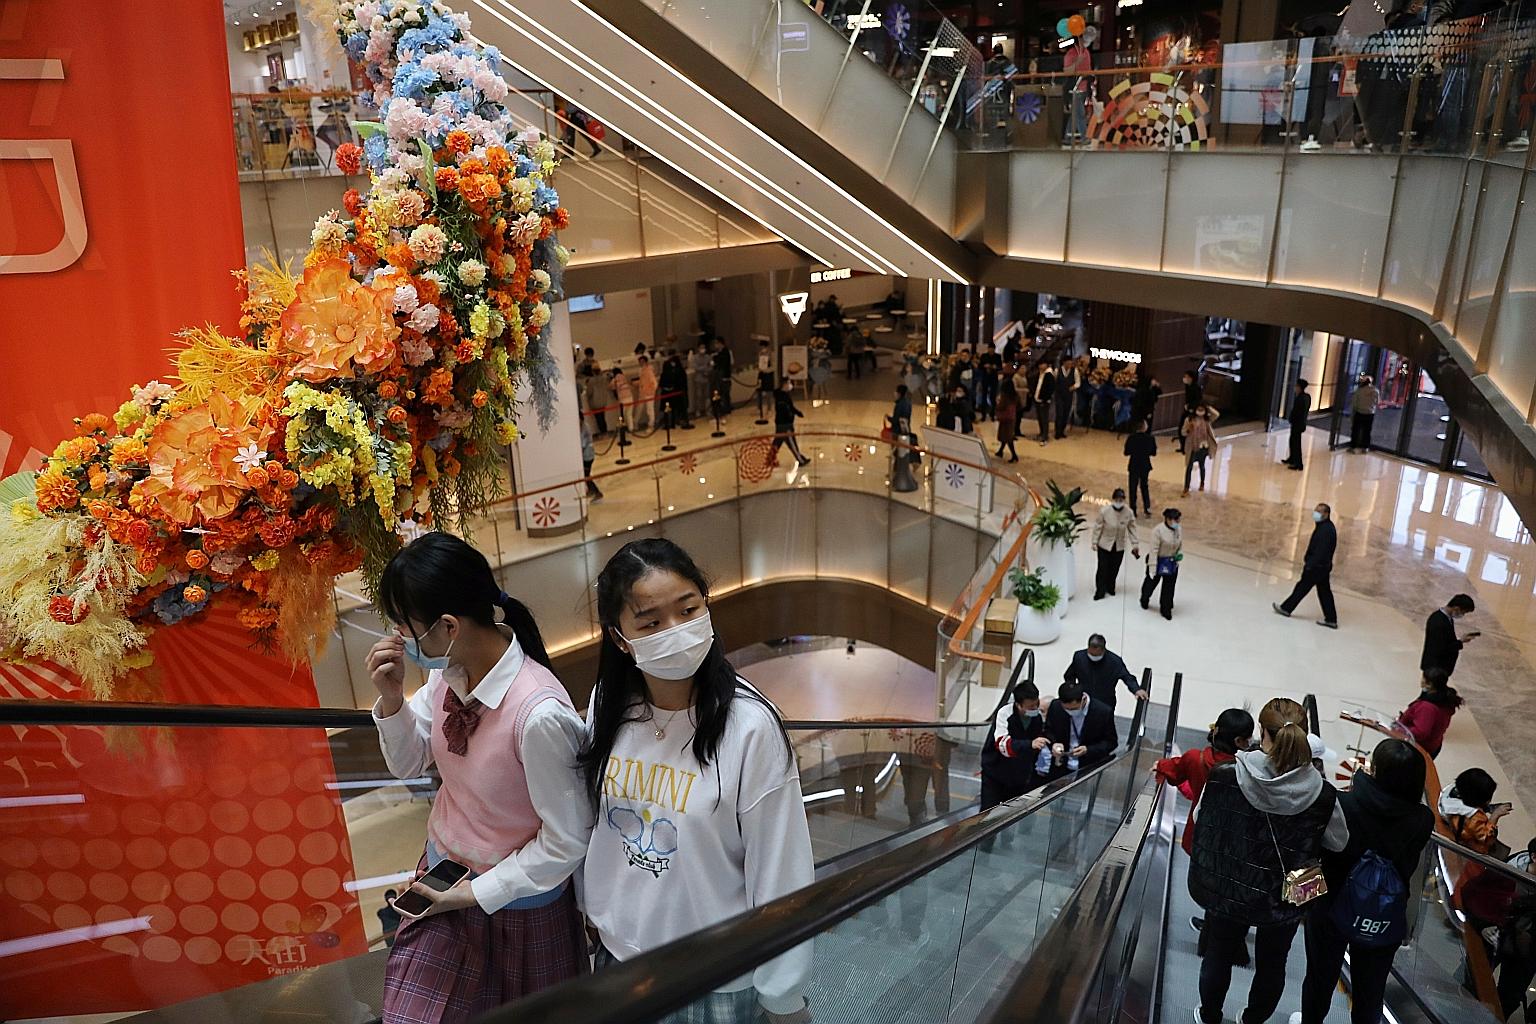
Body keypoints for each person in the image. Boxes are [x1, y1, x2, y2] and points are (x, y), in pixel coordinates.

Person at [577, 539, 815, 1024]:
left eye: (688, 610)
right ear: (621, 638)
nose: (676, 631)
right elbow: (591, 830)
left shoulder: (750, 728)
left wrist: (782, 996)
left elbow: (782, 871)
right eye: (650, 622)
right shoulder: (608, 705)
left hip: (717, 977)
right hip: (619, 967)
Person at [367, 534, 590, 1022]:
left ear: (448, 626)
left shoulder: (538, 714)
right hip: (442, 874)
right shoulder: (448, 671)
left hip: (519, 902)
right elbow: (410, 764)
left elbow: (567, 842)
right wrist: (390, 700)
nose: (400, 637)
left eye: (406, 627)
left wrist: (473, 894)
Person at [1187, 698, 1350, 1024]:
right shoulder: (1321, 792)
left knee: (1219, 950)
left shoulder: (1226, 773)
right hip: (1291, 892)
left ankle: (1209, 1015)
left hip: (1230, 880)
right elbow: (1338, 842)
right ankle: (1252, 1020)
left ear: (1262, 733)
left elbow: (1199, 815)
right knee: (1274, 962)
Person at [1292, 738, 1433, 1024]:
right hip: (1383, 915)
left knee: (1320, 979)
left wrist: (1296, 899)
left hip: (1329, 906)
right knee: (1370, 992)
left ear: (1376, 770)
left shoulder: (1341, 803)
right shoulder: (1423, 820)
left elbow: (1312, 853)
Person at [1155, 708, 1254, 858]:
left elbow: (1173, 773)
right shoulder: (1248, 769)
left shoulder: (1194, 758)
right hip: (1231, 843)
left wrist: (1159, 766)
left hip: (1197, 836)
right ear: (1239, 741)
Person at [980, 681, 1049, 808]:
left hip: (1018, 777)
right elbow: (1003, 746)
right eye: (1030, 707)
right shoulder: (1004, 714)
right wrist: (1030, 744)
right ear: (1018, 705)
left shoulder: (1037, 718)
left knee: (1011, 815)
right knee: (988, 815)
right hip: (995, 774)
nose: (1034, 709)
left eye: (1036, 705)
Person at [1272, 503, 1338, 628]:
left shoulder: (1326, 530)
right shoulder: (1325, 527)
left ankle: (1286, 608)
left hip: (1317, 566)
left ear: (1326, 514)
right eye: (1316, 510)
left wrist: (1310, 564)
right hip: (1322, 566)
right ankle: (1331, 619)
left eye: (1319, 511)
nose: (1316, 513)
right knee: (1324, 592)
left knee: (1302, 587)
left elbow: (1321, 551)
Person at [1043, 681, 1119, 776]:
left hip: (1088, 768)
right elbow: (1048, 731)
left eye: (1074, 709)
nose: (1070, 712)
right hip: (1060, 767)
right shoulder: (1056, 706)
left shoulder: (1103, 712)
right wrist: (1054, 744)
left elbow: (1111, 743)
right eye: (1066, 709)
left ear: (1083, 699)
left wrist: (1088, 750)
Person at [1062, 633, 1147, 713]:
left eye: (1096, 655)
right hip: (1084, 700)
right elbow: (1069, 675)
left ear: (1103, 650)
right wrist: (1073, 691)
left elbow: (1127, 677)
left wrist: (1136, 689)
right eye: (1091, 654)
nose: (1093, 657)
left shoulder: (1115, 662)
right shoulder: (1079, 657)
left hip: (1105, 703)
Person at [1439, 767, 1510, 856]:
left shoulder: (1453, 791)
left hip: (1456, 825)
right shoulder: (1473, 816)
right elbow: (1486, 838)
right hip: (1470, 845)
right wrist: (1495, 816)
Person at [1397, 667, 1462, 758]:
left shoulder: (1427, 708)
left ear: (1429, 684)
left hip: (1418, 748)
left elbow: (1420, 732)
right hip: (1433, 745)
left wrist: (1400, 729)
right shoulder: (1443, 699)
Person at [1091, 491, 1139, 600]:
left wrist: (1135, 544)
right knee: (1102, 568)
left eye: (1121, 500)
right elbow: (1098, 527)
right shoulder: (1105, 511)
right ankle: (1100, 590)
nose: (1119, 502)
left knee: (1114, 568)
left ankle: (1110, 586)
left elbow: (1132, 529)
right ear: (1113, 500)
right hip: (1104, 545)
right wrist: (1094, 542)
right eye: (1117, 500)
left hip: (1119, 545)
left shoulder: (1128, 512)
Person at [1140, 507, 1183, 620]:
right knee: (1151, 583)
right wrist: (1152, 569)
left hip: (1171, 562)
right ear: (1168, 519)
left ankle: (1166, 608)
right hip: (1158, 560)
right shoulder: (1158, 531)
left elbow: (1179, 544)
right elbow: (1153, 551)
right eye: (1175, 520)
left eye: (1178, 520)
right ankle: (1144, 598)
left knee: (1169, 587)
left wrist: (1178, 555)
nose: (1177, 522)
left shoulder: (1178, 529)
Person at [1422, 593, 1478, 679]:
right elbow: (1440, 648)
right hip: (1435, 669)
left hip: (1440, 668)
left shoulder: (1447, 618)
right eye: (1464, 612)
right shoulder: (1438, 622)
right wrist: (1460, 642)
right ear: (1456, 608)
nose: (1463, 615)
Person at [1181, 405, 1219, 496]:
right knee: (1189, 466)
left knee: (1202, 465)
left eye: (1202, 409)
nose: (1200, 411)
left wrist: (1208, 407)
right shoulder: (1189, 420)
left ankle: (1202, 483)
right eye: (1199, 409)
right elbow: (1183, 432)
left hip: (1203, 446)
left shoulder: (1207, 420)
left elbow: (1216, 414)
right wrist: (1188, 429)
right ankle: (1186, 488)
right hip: (1192, 446)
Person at [772, 379, 811, 466]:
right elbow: (786, 409)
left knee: (778, 442)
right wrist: (791, 415)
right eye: (789, 383)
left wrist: (797, 413)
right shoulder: (782, 397)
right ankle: (800, 460)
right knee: (791, 442)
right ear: (784, 384)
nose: (790, 385)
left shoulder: (783, 395)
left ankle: (769, 459)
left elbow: (791, 407)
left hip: (780, 423)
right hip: (785, 424)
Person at [1125, 419, 1157, 517]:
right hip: (1145, 465)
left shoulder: (1131, 438)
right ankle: (1147, 508)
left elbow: (1126, 452)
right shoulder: (1150, 438)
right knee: (1144, 486)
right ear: (1144, 427)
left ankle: (1133, 509)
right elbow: (1153, 453)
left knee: (1132, 487)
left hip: (1134, 464)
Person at [1282, 379, 1312, 470]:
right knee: (1293, 441)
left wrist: (1291, 419)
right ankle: (1292, 458)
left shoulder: (1300, 398)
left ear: (1299, 387)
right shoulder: (1306, 397)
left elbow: (1297, 412)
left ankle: (1298, 463)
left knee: (1296, 443)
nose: (1295, 388)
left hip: (1297, 424)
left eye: (1296, 386)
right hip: (1300, 423)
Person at [660, 349, 691, 429]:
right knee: (670, 408)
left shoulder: (677, 365)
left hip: (677, 390)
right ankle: (670, 423)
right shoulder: (667, 364)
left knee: (676, 408)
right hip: (671, 390)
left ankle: (678, 421)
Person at [1348, 374, 1379, 452]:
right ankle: (1365, 447)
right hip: (1370, 413)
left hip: (1360, 412)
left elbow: (1355, 402)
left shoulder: (1359, 390)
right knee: (1367, 431)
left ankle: (1353, 447)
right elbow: (1377, 402)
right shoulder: (1375, 391)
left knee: (1356, 430)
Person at [1177, 370, 1202, 454]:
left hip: (1192, 411)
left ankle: (1187, 447)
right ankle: (1183, 447)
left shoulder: (1196, 388)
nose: (1185, 379)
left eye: (1186, 377)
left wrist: (1191, 407)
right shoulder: (1188, 386)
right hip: (1187, 409)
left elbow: (1198, 400)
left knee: (1187, 429)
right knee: (1182, 428)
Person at [1054, 358, 1080, 439]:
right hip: (1059, 395)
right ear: (1064, 362)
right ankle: (1057, 432)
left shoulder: (1074, 371)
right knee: (1059, 413)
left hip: (1068, 395)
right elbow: (1054, 381)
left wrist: (1073, 387)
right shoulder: (1057, 370)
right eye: (1068, 363)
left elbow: (1078, 382)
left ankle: (1062, 431)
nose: (1069, 365)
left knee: (1066, 413)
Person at [995, 378, 1020, 462]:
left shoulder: (1005, 396)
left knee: (1007, 437)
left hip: (1005, 418)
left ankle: (1014, 455)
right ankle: (1000, 451)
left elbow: (1001, 406)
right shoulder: (1015, 396)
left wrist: (997, 404)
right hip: (1011, 417)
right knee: (1006, 436)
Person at [977, 340, 1002, 420]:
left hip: (994, 378)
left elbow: (1000, 367)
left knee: (993, 396)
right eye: (990, 349)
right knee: (983, 396)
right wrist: (985, 366)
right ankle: (983, 415)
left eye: (992, 349)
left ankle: (992, 414)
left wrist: (995, 367)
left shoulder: (998, 357)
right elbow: (979, 366)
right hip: (985, 378)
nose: (991, 350)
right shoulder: (984, 356)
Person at [688, 341, 713, 421]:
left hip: (707, 379)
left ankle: (708, 410)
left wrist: (706, 370)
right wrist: (704, 367)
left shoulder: (708, 357)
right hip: (698, 379)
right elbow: (695, 367)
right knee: (698, 396)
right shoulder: (695, 357)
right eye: (701, 347)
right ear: (698, 348)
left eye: (704, 347)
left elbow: (711, 367)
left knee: (707, 395)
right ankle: (698, 411)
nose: (703, 349)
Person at [580, 418, 603, 501]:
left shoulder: (585, 428)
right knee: (586, 475)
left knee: (586, 476)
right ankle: (591, 490)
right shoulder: (581, 427)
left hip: (588, 456)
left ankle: (597, 492)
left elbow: (584, 444)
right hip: (586, 455)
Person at [709, 338, 734, 418]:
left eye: (717, 343)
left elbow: (722, 364)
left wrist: (715, 359)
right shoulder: (718, 353)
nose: (715, 345)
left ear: (720, 343)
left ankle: (726, 410)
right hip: (719, 378)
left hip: (724, 377)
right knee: (722, 395)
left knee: (725, 395)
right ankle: (722, 410)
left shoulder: (725, 352)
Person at [1033, 362, 1056, 443]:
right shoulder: (1038, 374)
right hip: (1037, 399)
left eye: (1043, 364)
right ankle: (1041, 432)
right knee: (1039, 417)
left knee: (1044, 419)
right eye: (1040, 364)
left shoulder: (1049, 375)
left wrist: (1045, 399)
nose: (1041, 366)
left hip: (1044, 401)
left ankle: (1045, 436)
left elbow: (1051, 388)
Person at [635, 354, 658, 431]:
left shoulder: (648, 370)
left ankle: (651, 425)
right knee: (639, 409)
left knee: (649, 410)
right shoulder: (642, 371)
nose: (640, 363)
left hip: (648, 394)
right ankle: (635, 423)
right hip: (643, 393)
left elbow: (654, 383)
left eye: (642, 362)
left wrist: (651, 391)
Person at [755, 341, 775, 421]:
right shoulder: (760, 354)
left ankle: (769, 409)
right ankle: (759, 408)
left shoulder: (771, 354)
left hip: (768, 375)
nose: (762, 349)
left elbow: (774, 366)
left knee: (769, 392)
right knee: (759, 391)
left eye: (763, 347)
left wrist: (766, 370)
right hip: (761, 374)